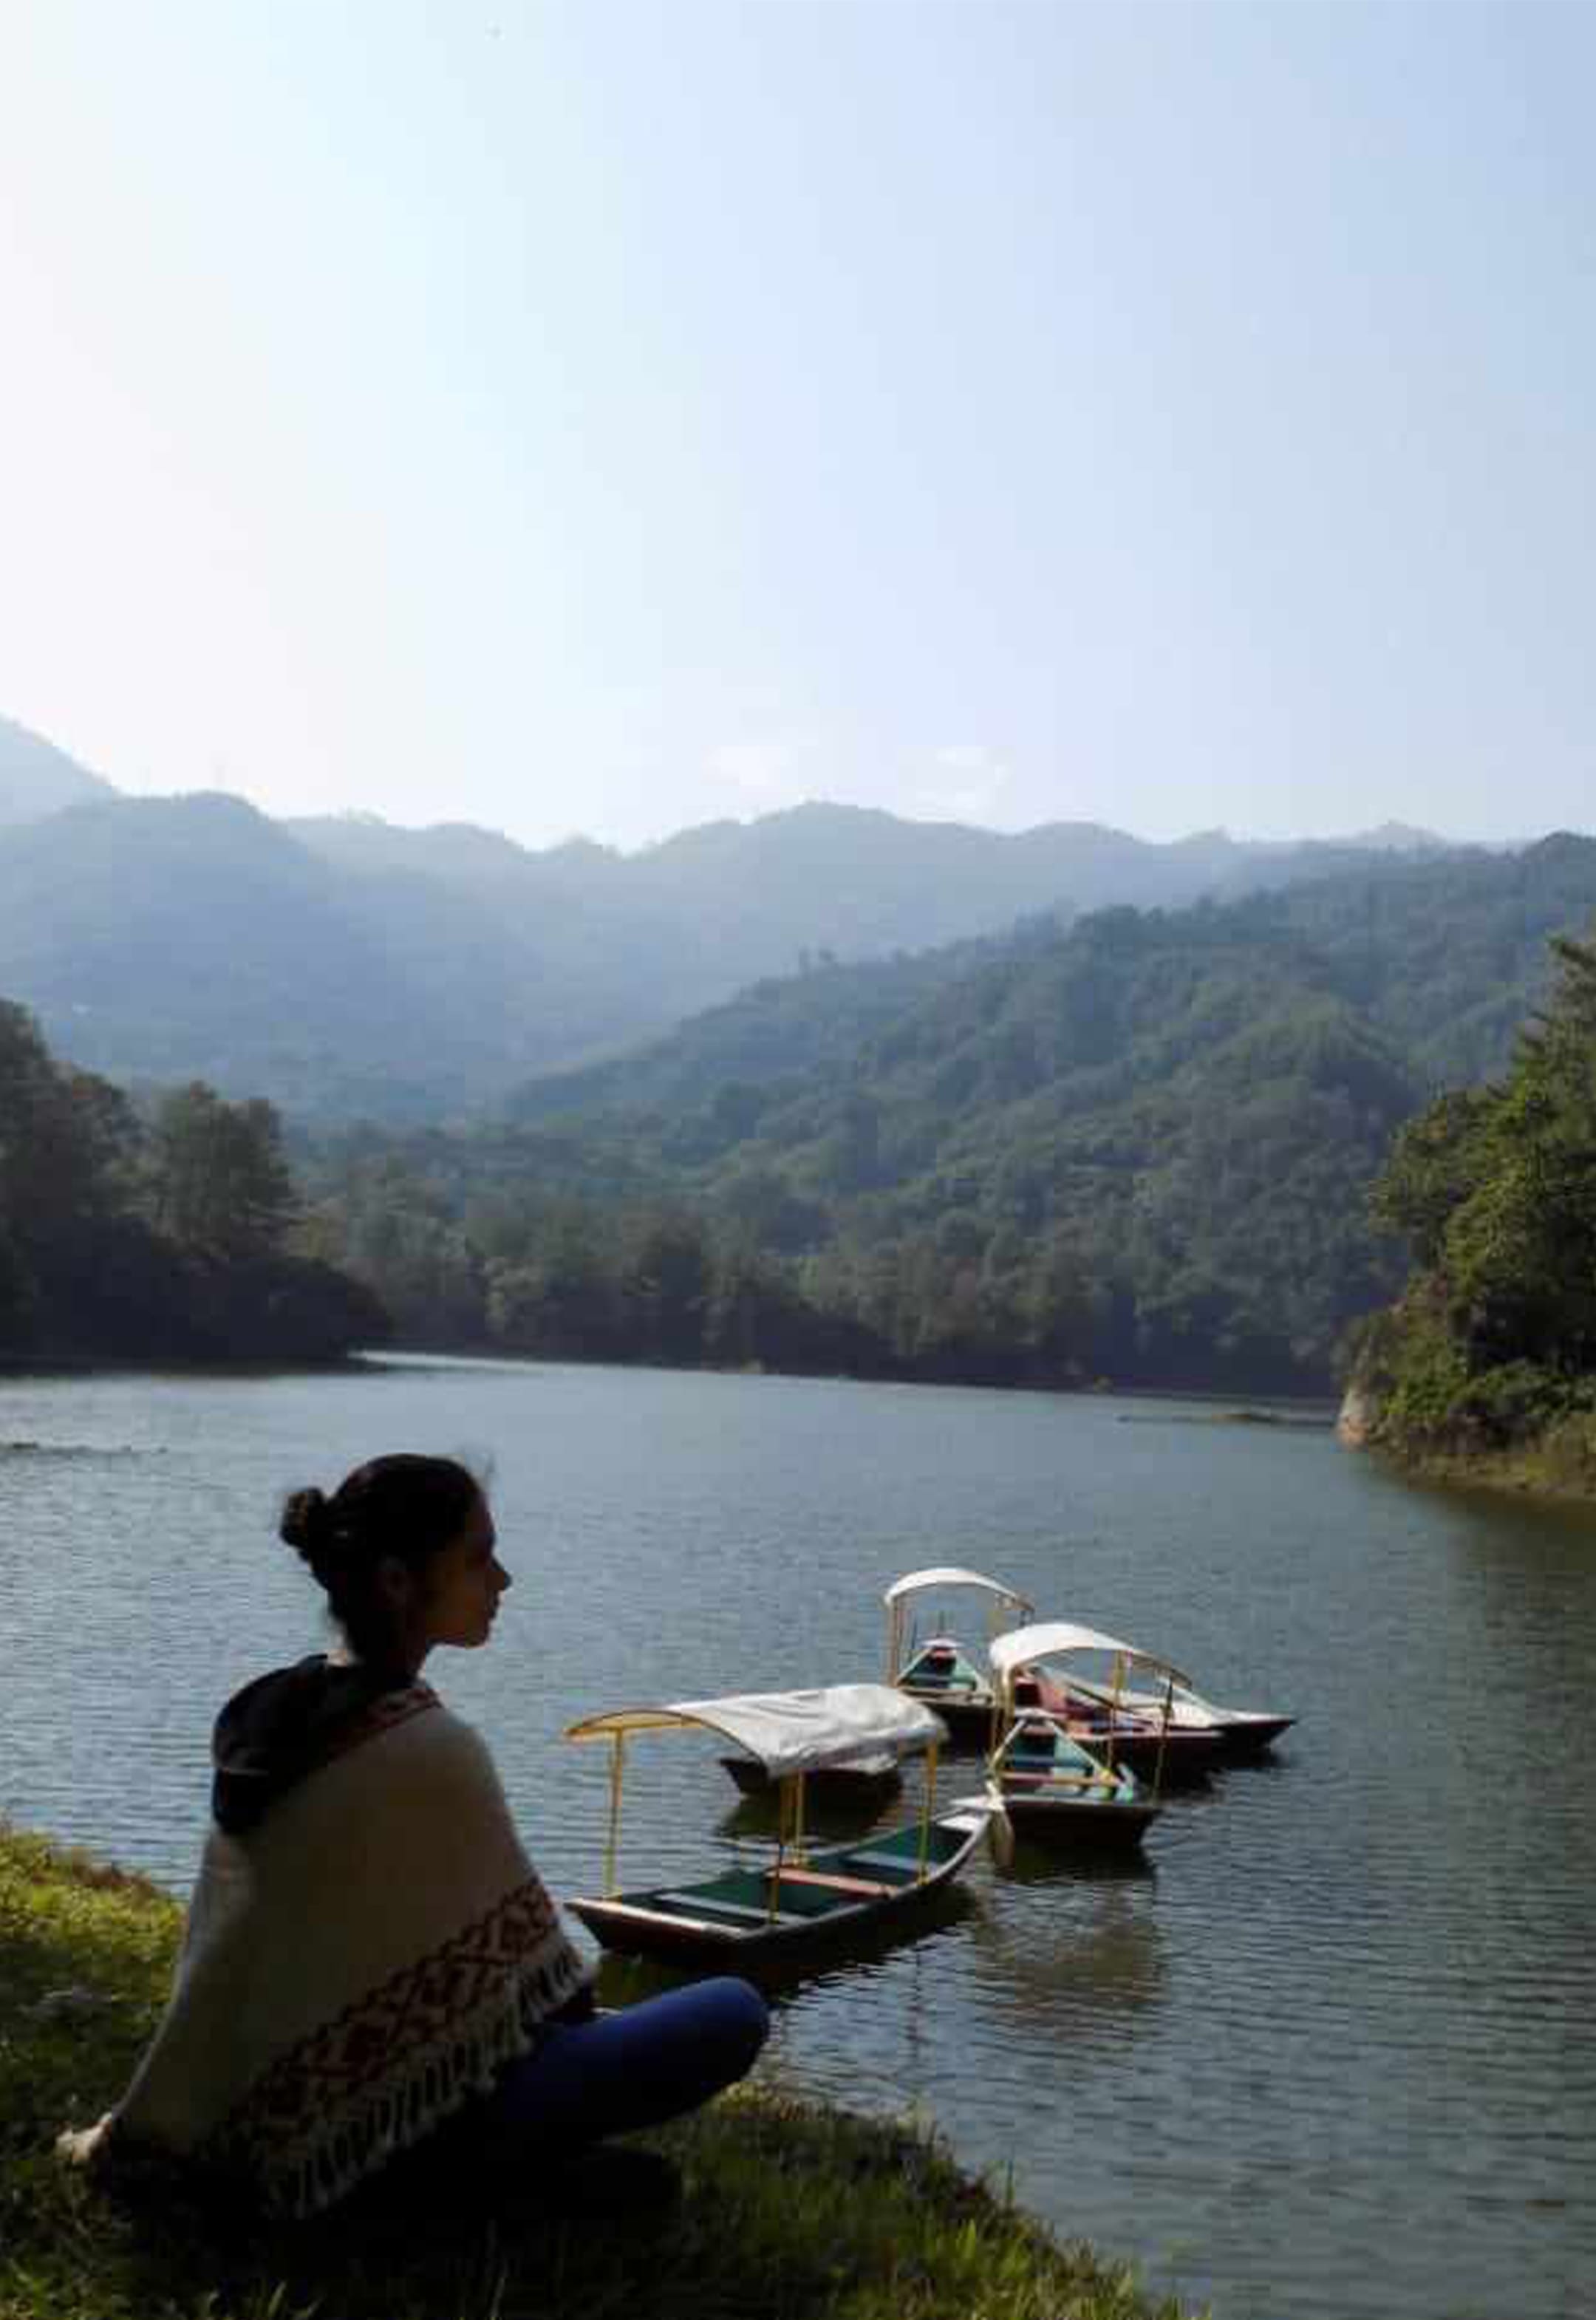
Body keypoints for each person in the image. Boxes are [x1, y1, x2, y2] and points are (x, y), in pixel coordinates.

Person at [58, 1453, 768, 2220]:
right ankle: (473, 2190)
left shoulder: (280, 1715)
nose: (502, 1580)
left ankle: (521, 2183)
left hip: (261, 2117)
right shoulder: (428, 1747)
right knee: (730, 2010)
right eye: (477, 1557)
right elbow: (553, 1998)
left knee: (605, 2127)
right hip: (387, 2140)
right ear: (399, 1581)